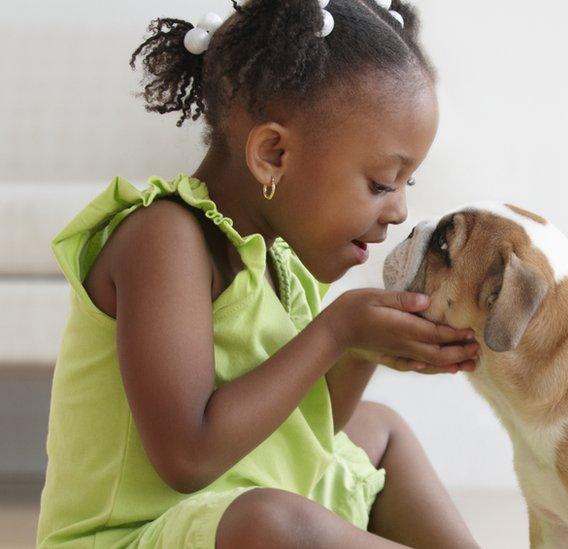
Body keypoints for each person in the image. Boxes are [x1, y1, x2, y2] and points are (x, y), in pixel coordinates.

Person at [36, 1, 481, 547]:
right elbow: (188, 455)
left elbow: (300, 432)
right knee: (268, 521)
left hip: (229, 503)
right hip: (134, 534)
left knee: (381, 429)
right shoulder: (165, 239)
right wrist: (336, 332)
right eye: (382, 183)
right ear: (273, 154)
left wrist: (364, 352)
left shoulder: (280, 258)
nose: (398, 212)